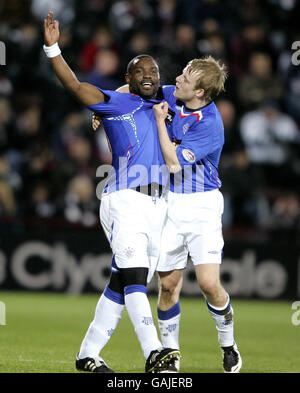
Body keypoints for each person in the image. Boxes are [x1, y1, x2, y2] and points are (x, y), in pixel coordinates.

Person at [43, 11, 180, 373]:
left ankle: (88, 356)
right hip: (124, 197)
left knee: (122, 280)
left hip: (158, 204)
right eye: (140, 72)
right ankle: (154, 352)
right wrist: (53, 47)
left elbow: (197, 86)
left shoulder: (165, 100)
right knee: (135, 276)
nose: (149, 76)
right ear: (128, 79)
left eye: (153, 71)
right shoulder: (114, 103)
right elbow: (74, 86)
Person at [152, 57, 242, 373]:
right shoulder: (171, 95)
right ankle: (169, 357)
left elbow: (174, 164)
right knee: (167, 286)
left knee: (207, 283)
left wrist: (161, 122)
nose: (177, 79)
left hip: (203, 206)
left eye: (185, 78)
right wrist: (102, 109)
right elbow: (137, 91)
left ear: (200, 92)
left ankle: (228, 344)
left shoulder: (210, 125)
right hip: (170, 203)